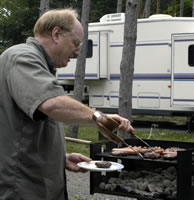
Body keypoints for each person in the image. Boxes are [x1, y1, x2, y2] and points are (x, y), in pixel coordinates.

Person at [0, 8, 134, 200]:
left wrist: (60, 159)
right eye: (76, 43)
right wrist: (99, 119)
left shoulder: (38, 63)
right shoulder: (22, 57)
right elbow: (52, 104)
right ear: (56, 34)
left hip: (36, 184)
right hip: (23, 188)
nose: (78, 52)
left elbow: (26, 130)